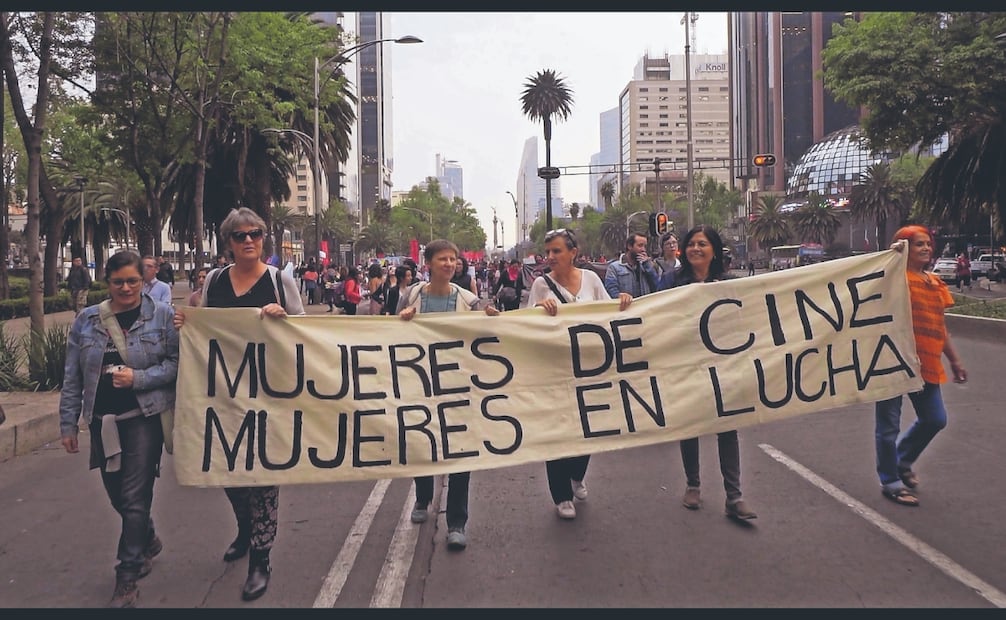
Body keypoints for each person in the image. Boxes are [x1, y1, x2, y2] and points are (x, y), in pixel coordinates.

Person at [172, 207, 304, 602]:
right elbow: (204, 327)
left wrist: (284, 318)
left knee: (263, 475)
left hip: (270, 395)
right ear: (228, 242)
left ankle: (260, 559)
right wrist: (187, 323)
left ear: (264, 238)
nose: (249, 240)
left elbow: (306, 332)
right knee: (229, 471)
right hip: (223, 396)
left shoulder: (280, 281)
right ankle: (245, 529)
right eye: (240, 235)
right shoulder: (214, 280)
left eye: (256, 233)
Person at [59, 250, 179, 608]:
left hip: (143, 418)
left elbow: (176, 364)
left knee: (133, 496)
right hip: (101, 422)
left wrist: (138, 378)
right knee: (117, 496)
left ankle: (126, 577)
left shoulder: (161, 316)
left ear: (143, 281)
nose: (126, 288)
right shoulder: (87, 320)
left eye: (133, 281)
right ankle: (148, 537)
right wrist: (68, 423)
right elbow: (72, 376)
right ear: (106, 282)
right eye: (118, 282)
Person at [398, 239, 499, 551]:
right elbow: (388, 336)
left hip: (458, 386)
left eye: (453, 259)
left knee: (460, 451)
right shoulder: (411, 296)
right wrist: (402, 319)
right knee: (421, 443)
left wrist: (492, 317)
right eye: (442, 259)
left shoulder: (468, 301)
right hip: (420, 385)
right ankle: (423, 496)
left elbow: (483, 334)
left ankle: (457, 521)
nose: (449, 264)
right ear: (428, 263)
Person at [525, 228, 632, 520]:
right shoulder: (540, 286)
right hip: (554, 371)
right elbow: (524, 326)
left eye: (557, 251)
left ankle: (576, 475)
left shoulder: (592, 280)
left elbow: (607, 312)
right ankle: (561, 496)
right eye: (547, 252)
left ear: (574, 252)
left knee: (587, 427)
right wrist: (537, 310)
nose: (550, 257)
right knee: (557, 430)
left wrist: (621, 300)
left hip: (588, 369)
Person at [666, 225, 757, 521]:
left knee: (727, 428)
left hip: (723, 366)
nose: (695, 248)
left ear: (714, 250)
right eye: (691, 244)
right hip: (686, 365)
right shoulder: (671, 281)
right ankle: (693, 485)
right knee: (690, 426)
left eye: (702, 244)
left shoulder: (730, 283)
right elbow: (652, 315)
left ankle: (734, 496)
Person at [875, 226, 967, 507]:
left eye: (928, 244)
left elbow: (940, 327)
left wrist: (954, 360)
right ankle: (891, 480)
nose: (926, 249)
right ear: (903, 248)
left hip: (925, 363)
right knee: (888, 426)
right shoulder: (893, 280)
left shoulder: (934, 282)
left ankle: (902, 460)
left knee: (935, 419)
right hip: (891, 362)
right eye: (918, 245)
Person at [604, 232, 660, 300]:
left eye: (645, 246)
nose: (643, 250)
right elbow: (610, 290)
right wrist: (620, 297)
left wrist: (648, 267)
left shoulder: (648, 266)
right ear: (629, 246)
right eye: (640, 245)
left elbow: (657, 288)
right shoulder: (614, 268)